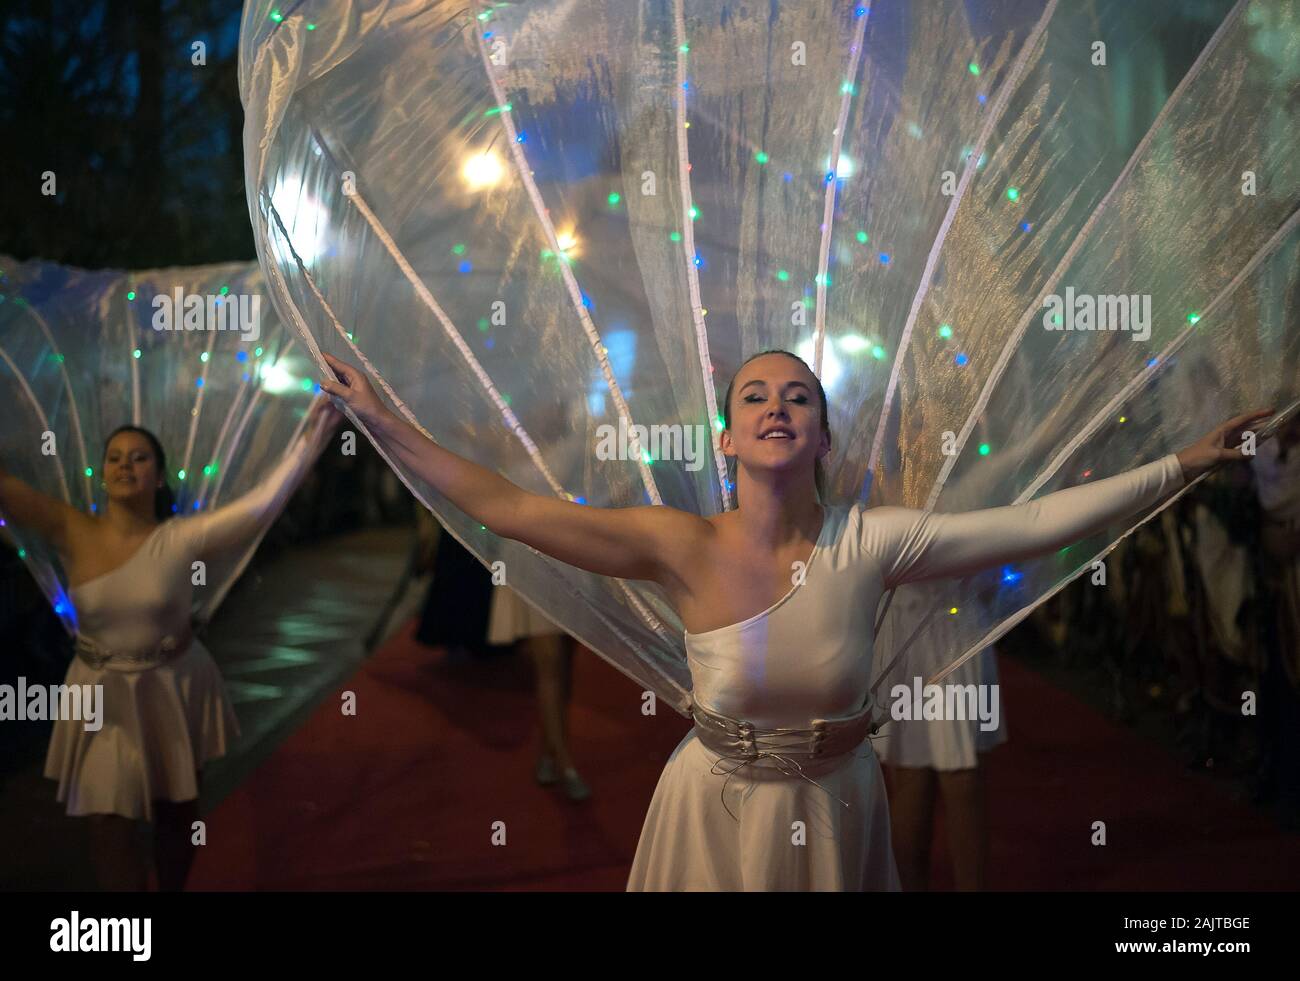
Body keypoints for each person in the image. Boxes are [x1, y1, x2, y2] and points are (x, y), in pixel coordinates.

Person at [319, 347, 1267, 891]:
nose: (778, 404)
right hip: (711, 817)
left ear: (821, 435)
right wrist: (385, 421)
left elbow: (1031, 521)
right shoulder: (677, 542)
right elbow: (513, 507)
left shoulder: (877, 541)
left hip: (838, 809)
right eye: (755, 395)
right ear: (725, 436)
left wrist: (1180, 463)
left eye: (799, 394)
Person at [0, 397, 340, 890]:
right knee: (107, 820)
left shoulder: (182, 538)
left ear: (158, 477)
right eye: (115, 456)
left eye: (138, 457)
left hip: (173, 683)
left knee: (175, 816)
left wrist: (316, 432)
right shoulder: (72, 528)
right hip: (99, 693)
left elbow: (263, 503)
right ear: (102, 473)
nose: (124, 465)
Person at [487, 584, 591, 801]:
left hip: (573, 570)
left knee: (565, 667)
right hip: (533, 570)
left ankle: (549, 750)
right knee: (550, 666)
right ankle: (565, 764)